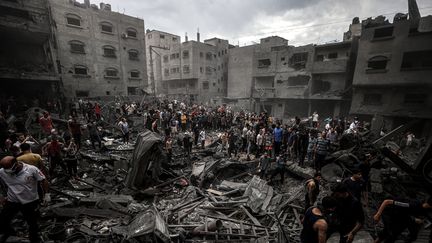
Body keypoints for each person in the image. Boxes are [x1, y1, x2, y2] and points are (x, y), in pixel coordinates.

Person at [0, 156, 50, 243]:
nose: (8, 172)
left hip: (30, 201)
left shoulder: (31, 169)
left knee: (32, 223)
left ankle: (34, 239)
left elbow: (43, 180)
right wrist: (1, 196)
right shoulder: (2, 172)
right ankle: (11, 233)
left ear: (16, 164)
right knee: (3, 220)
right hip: (12, 200)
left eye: (10, 169)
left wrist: (47, 194)